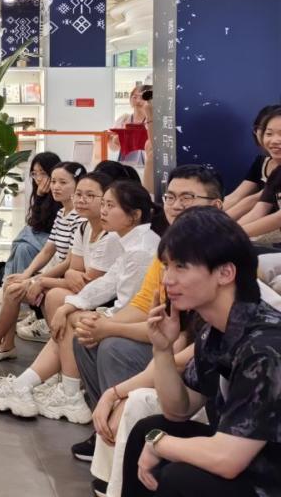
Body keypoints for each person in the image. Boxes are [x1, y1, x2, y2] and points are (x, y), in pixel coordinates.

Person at [73, 165, 225, 475]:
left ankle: (119, 429)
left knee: (114, 346)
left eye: (187, 197)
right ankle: (109, 428)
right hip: (183, 355)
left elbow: (188, 344)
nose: (176, 205)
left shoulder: (221, 255)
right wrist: (101, 324)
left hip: (202, 375)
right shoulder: (169, 248)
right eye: (170, 197)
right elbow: (150, 307)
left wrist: (119, 389)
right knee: (88, 334)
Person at [120, 208, 281, 497]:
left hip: (270, 477)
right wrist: (163, 349)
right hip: (250, 459)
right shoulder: (215, 331)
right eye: (167, 266)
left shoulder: (265, 346)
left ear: (225, 273)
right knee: (148, 428)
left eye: (181, 266)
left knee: (181, 477)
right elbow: (178, 411)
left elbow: (227, 460)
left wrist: (159, 443)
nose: (168, 279)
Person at [0, 177, 157, 423]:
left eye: (109, 205)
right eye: (103, 204)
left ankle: (63, 392)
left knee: (71, 317)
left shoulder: (138, 250)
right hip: (121, 313)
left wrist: (77, 308)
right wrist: (68, 305)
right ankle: (39, 387)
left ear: (134, 215)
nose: (103, 210)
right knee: (66, 310)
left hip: (135, 323)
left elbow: (127, 303)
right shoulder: (120, 238)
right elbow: (103, 282)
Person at [0, 162, 86, 359]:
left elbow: (69, 263)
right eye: (54, 181)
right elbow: (47, 250)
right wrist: (26, 274)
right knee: (12, 282)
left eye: (63, 182)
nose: (56, 187)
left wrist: (35, 280)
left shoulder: (80, 219)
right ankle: (6, 345)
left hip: (66, 279)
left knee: (14, 288)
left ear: (78, 184)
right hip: (57, 275)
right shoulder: (61, 213)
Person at [1, 151, 63, 284]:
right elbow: (36, 222)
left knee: (23, 243)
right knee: (22, 247)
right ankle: (14, 286)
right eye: (34, 173)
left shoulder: (61, 193)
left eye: (43, 173)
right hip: (41, 238)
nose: (38, 178)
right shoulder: (39, 192)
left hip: (53, 240)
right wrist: (39, 196)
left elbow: (50, 227)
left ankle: (12, 285)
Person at [224, 105, 281, 216]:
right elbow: (238, 197)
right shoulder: (263, 163)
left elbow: (276, 217)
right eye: (269, 133)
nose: (274, 140)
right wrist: (210, 217)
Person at [237, 108, 281, 241]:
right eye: (269, 134)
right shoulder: (277, 173)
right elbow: (259, 211)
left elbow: (278, 218)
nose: (274, 140)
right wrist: (226, 230)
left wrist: (230, 235)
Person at [110, 85, 151, 166]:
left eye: (142, 97)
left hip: (146, 164)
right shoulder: (124, 119)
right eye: (135, 97)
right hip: (125, 163)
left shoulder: (151, 121)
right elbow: (113, 148)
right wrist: (115, 141)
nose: (138, 101)